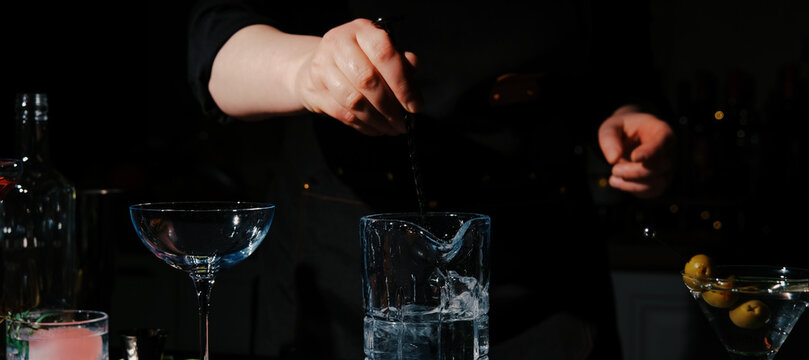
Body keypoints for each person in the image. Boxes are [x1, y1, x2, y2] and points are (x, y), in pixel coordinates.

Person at [187, 1, 675, 359]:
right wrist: (308, 70)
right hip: (342, 275)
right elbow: (216, 46)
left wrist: (630, 116)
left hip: (547, 281)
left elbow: (621, 63)